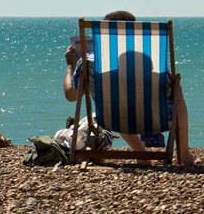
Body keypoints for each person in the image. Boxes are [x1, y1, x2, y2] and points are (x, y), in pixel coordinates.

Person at [62, 10, 195, 165]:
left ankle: (140, 153)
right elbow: (169, 90)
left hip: (112, 118)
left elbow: (71, 96)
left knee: (117, 103)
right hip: (157, 118)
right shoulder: (149, 63)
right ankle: (184, 154)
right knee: (176, 87)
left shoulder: (90, 64)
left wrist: (70, 66)